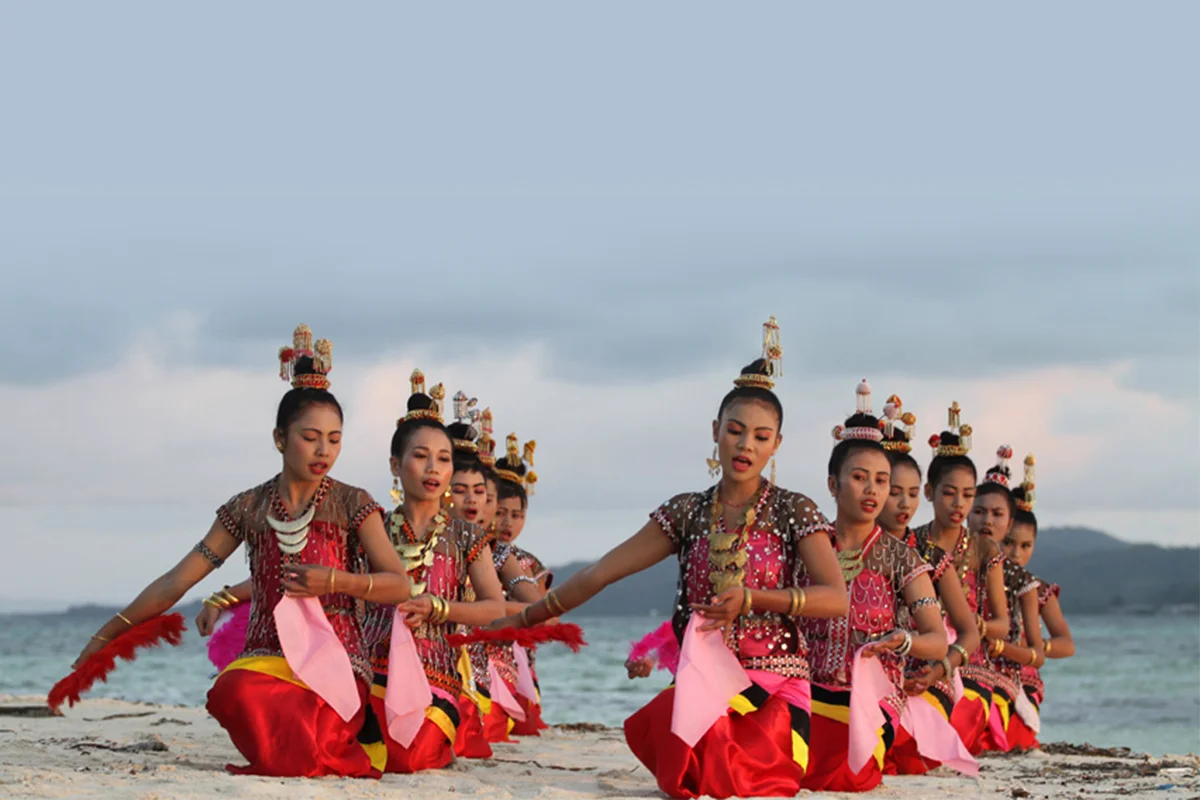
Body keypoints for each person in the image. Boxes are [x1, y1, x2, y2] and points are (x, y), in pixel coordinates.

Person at [493, 317, 848, 800]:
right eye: (736, 431)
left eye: (761, 437)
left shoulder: (793, 509)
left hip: (776, 682)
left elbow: (834, 598)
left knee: (732, 771)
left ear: (776, 445)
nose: (746, 445)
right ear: (715, 431)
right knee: (689, 756)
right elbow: (603, 571)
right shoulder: (687, 511)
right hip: (705, 681)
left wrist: (753, 598)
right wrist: (529, 617)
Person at [76, 325, 411, 778]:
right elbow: (179, 579)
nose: (324, 450)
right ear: (279, 438)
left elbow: (399, 584)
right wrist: (106, 635)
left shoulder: (354, 503)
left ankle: (313, 745)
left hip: (337, 658)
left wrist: (336, 581)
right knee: (233, 691)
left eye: (334, 439)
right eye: (310, 437)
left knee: (303, 725)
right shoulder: (248, 507)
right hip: (266, 657)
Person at [359, 370, 514, 773]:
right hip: (373, 667)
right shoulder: (371, 526)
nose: (433, 468)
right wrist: (229, 597)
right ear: (396, 464)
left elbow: (493, 607)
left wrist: (438, 608)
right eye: (420, 455)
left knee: (411, 756)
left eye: (443, 459)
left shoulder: (464, 535)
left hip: (437, 675)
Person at [798, 381, 946, 792]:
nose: (873, 490)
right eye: (860, 477)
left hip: (868, 703)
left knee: (851, 779)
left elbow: (935, 638)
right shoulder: (807, 547)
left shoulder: (902, 559)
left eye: (881, 481)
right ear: (833, 484)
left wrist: (902, 641)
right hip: (801, 695)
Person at [874, 396, 980, 776]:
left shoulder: (932, 557)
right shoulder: (843, 548)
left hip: (923, 678)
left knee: (904, 755)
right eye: (893, 490)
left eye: (913, 492)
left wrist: (941, 668)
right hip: (864, 674)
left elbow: (968, 634)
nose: (904, 502)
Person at [909, 403, 1010, 755]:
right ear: (929, 492)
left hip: (969, 662)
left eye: (968, 495)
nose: (959, 504)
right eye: (949, 492)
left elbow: (1002, 624)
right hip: (917, 654)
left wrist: (967, 624)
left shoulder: (984, 549)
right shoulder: (911, 542)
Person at [970, 446, 1045, 752]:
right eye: (979, 511)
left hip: (1005, 675)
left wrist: (1005, 645)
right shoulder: (942, 559)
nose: (988, 520)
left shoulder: (1024, 583)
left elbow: (1040, 654)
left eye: (997, 514)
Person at [1001, 454, 1074, 750]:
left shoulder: (1038, 589)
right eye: (1008, 543)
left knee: (1016, 739)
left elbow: (1066, 644)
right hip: (982, 671)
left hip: (1024, 678)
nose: (1016, 553)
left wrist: (1035, 645)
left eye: (1025, 545)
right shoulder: (976, 580)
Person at [492, 431, 553, 735]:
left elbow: (545, 617)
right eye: (500, 512)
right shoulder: (480, 552)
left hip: (520, 658)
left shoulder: (531, 564)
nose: (507, 523)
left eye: (516, 515)